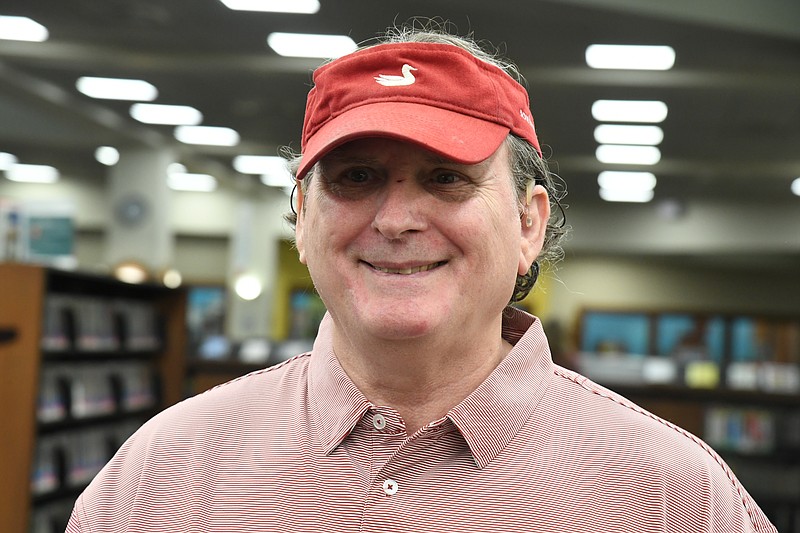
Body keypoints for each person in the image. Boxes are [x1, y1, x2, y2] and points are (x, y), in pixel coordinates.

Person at [67, 24, 777, 533]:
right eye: (356, 177)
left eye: (446, 179)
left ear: (530, 223)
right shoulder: (161, 476)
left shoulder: (673, 496)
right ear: (302, 218)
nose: (397, 218)